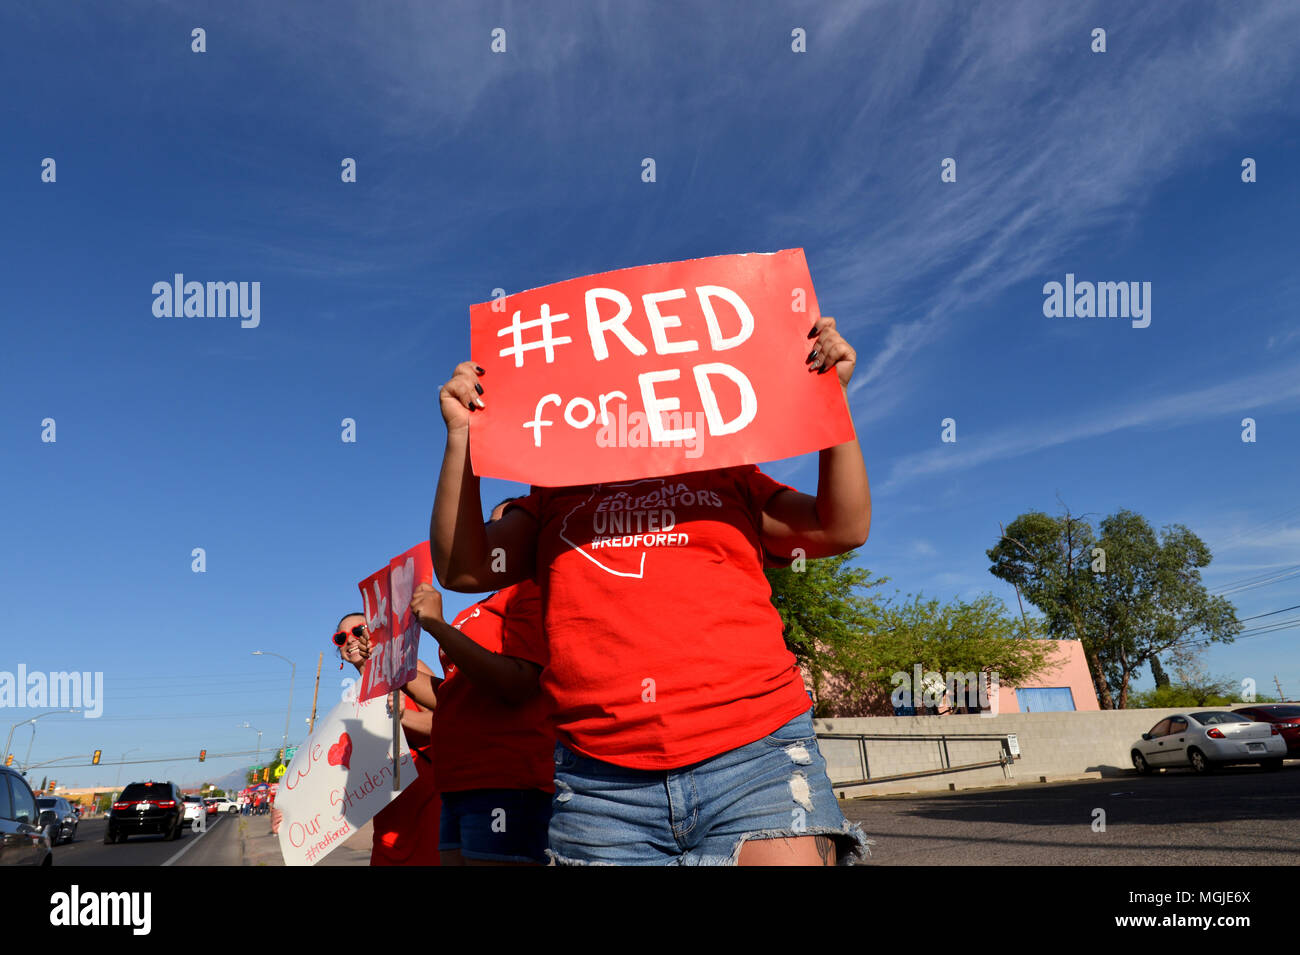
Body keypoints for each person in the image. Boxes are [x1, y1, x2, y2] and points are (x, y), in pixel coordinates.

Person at [431, 314, 872, 866]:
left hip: (755, 752)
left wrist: (832, 399)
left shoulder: (724, 472)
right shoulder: (554, 493)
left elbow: (841, 528)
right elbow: (461, 568)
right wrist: (462, 439)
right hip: (600, 782)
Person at [401, 500, 555, 866]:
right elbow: (451, 694)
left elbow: (517, 682)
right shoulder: (484, 604)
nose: (492, 531)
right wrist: (388, 663)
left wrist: (438, 627)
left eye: (508, 522)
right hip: (458, 783)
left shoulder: (532, 592)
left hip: (505, 781)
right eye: (490, 523)